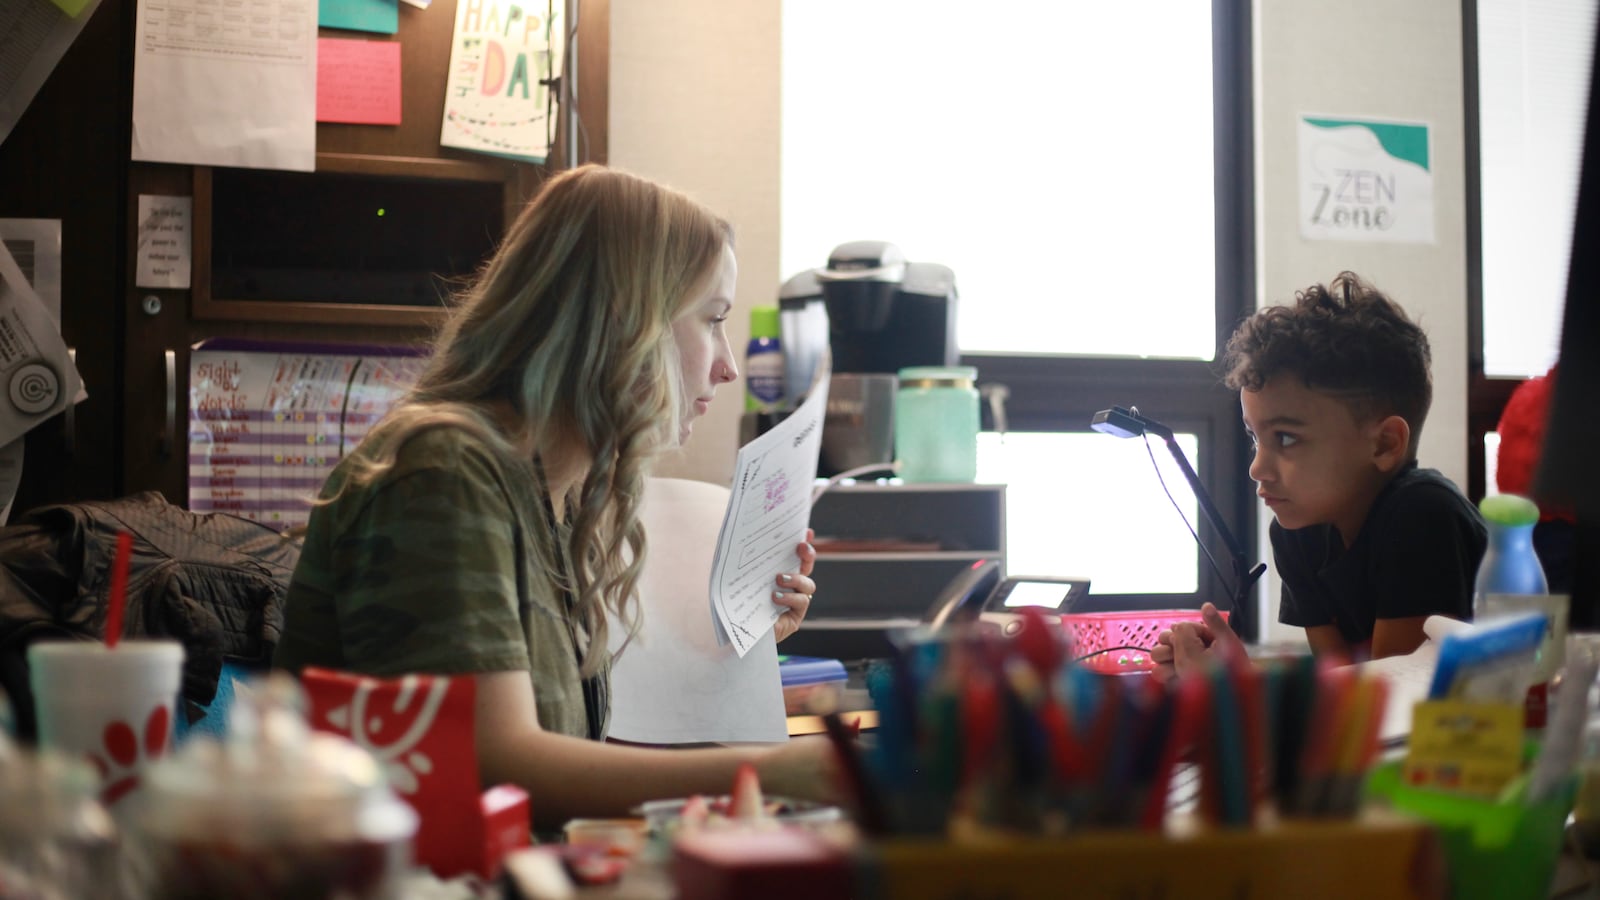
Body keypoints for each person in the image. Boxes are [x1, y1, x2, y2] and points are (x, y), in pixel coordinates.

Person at [272, 164, 834, 827]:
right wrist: (769, 773)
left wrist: (740, 651)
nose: (727, 365)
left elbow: (580, 757)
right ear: (624, 322)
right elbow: (497, 764)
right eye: (712, 319)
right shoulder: (442, 470)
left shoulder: (556, 498)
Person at [1153, 272, 1487, 680]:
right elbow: (1342, 687)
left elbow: (1390, 699)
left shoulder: (1423, 515)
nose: (1257, 467)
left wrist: (1242, 686)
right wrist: (1233, 676)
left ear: (1383, 445)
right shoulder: (1298, 532)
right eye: (1253, 437)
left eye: (1287, 438)